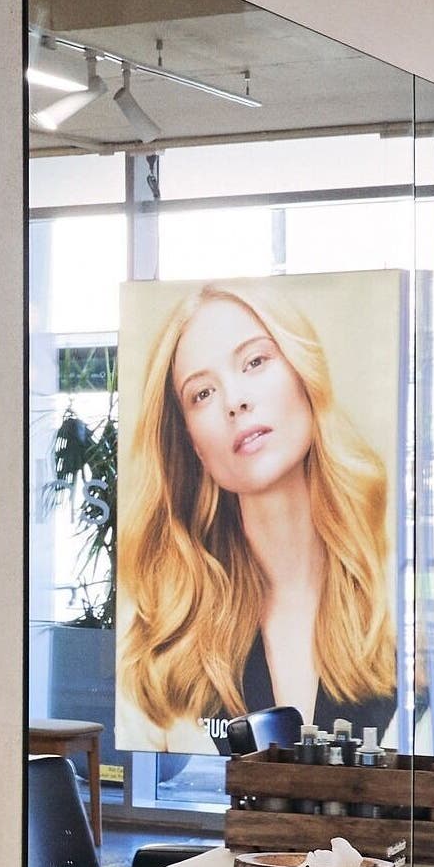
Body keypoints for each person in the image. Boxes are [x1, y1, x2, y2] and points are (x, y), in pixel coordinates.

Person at [117, 280, 395, 740]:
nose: (235, 401)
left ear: (304, 375)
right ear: (190, 442)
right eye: (202, 394)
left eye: (255, 361)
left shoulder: (393, 592)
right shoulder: (163, 650)